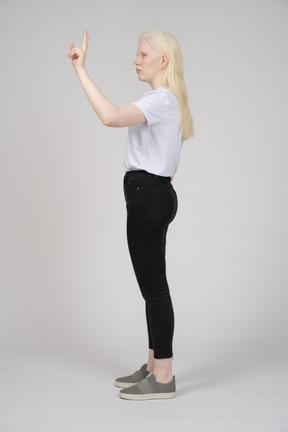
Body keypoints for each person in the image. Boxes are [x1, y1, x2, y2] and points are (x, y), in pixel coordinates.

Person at [68, 29, 194, 400]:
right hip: (154, 193)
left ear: (162, 60)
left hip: (147, 196)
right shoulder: (165, 101)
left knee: (154, 289)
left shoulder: (160, 100)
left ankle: (165, 376)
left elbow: (109, 117)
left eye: (142, 54)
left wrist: (81, 70)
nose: (135, 60)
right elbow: (168, 164)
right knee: (151, 287)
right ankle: (155, 364)